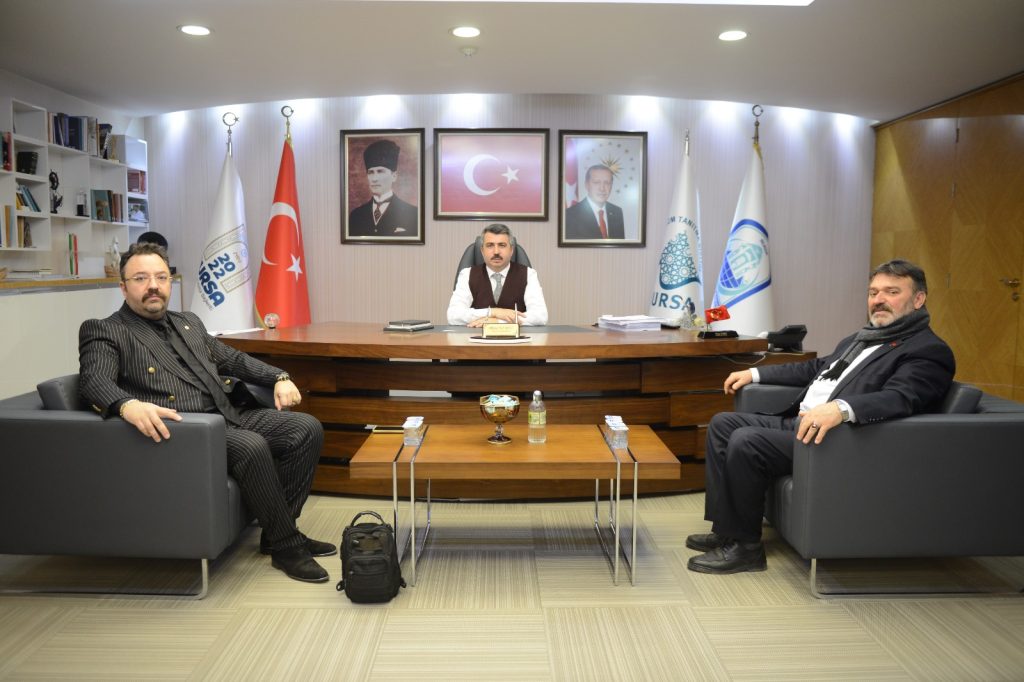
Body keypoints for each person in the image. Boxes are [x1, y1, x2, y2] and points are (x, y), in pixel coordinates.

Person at [78, 243, 335, 584]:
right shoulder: (105, 329)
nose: (153, 286)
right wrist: (127, 404)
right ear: (123, 287)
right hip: (186, 429)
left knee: (305, 428)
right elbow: (93, 381)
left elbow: (233, 359)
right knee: (251, 445)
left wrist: (279, 376)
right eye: (141, 278)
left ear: (170, 283)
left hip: (227, 413)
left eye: (161, 277)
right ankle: (287, 546)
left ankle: (277, 533)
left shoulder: (188, 322)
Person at [687, 259, 955, 575]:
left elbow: (901, 397)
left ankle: (746, 549)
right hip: (801, 423)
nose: (878, 300)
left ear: (918, 299)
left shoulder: (928, 350)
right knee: (723, 423)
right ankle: (726, 529)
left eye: (891, 292)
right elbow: (817, 368)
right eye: (873, 293)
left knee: (748, 440)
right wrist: (755, 373)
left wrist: (841, 408)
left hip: (840, 439)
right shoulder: (862, 338)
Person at [447, 224, 548, 327]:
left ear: (511, 250)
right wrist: (493, 312)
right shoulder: (467, 274)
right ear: (482, 251)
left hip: (517, 337)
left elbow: (540, 316)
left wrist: (497, 322)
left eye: (502, 245)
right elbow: (453, 315)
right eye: (490, 245)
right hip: (476, 336)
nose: (496, 252)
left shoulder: (529, 274)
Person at [347, 139, 419, 237]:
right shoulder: (356, 215)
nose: (374, 179)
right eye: (371, 172)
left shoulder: (413, 214)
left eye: (380, 171)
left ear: (394, 176)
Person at [564, 164, 625, 240]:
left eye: (607, 183)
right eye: (596, 182)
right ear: (587, 185)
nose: (602, 188)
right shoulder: (570, 215)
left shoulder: (617, 212)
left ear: (611, 185)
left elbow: (620, 245)